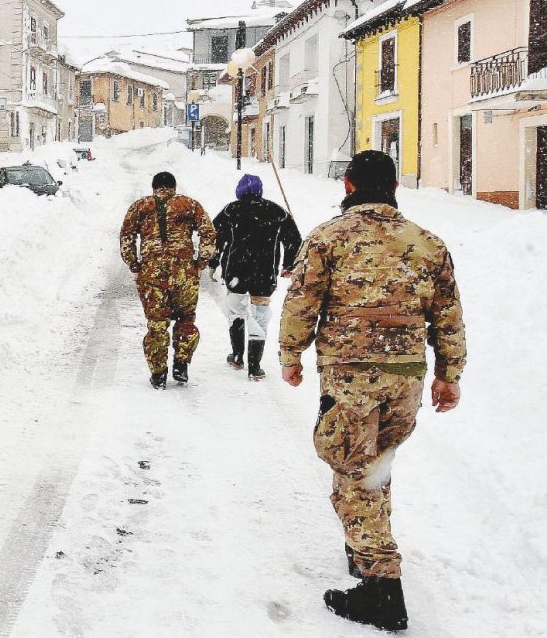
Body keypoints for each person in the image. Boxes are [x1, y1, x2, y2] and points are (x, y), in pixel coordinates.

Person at [278, 150, 466, 632]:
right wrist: (449, 374)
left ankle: (383, 589)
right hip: (405, 375)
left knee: (354, 470)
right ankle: (363, 552)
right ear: (395, 188)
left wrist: (290, 356)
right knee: (376, 465)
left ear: (348, 185)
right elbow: (447, 315)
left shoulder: (328, 237)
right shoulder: (427, 243)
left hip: (351, 374)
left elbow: (302, 302)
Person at [120, 171, 216, 389]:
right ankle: (181, 364)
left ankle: (159, 373)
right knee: (186, 318)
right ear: (174, 186)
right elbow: (208, 233)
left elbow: (126, 237)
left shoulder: (140, 206)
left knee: (157, 323)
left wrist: (134, 265)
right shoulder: (190, 205)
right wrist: (200, 262)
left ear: (154, 188)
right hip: (184, 273)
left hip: (151, 273)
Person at [209, 174, 301, 381]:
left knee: (236, 312)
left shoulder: (231, 210)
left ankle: (238, 356)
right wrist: (289, 264)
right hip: (264, 274)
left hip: (236, 273)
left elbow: (215, 238)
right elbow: (294, 240)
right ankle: (255, 367)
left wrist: (213, 263)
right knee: (259, 315)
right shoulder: (278, 212)